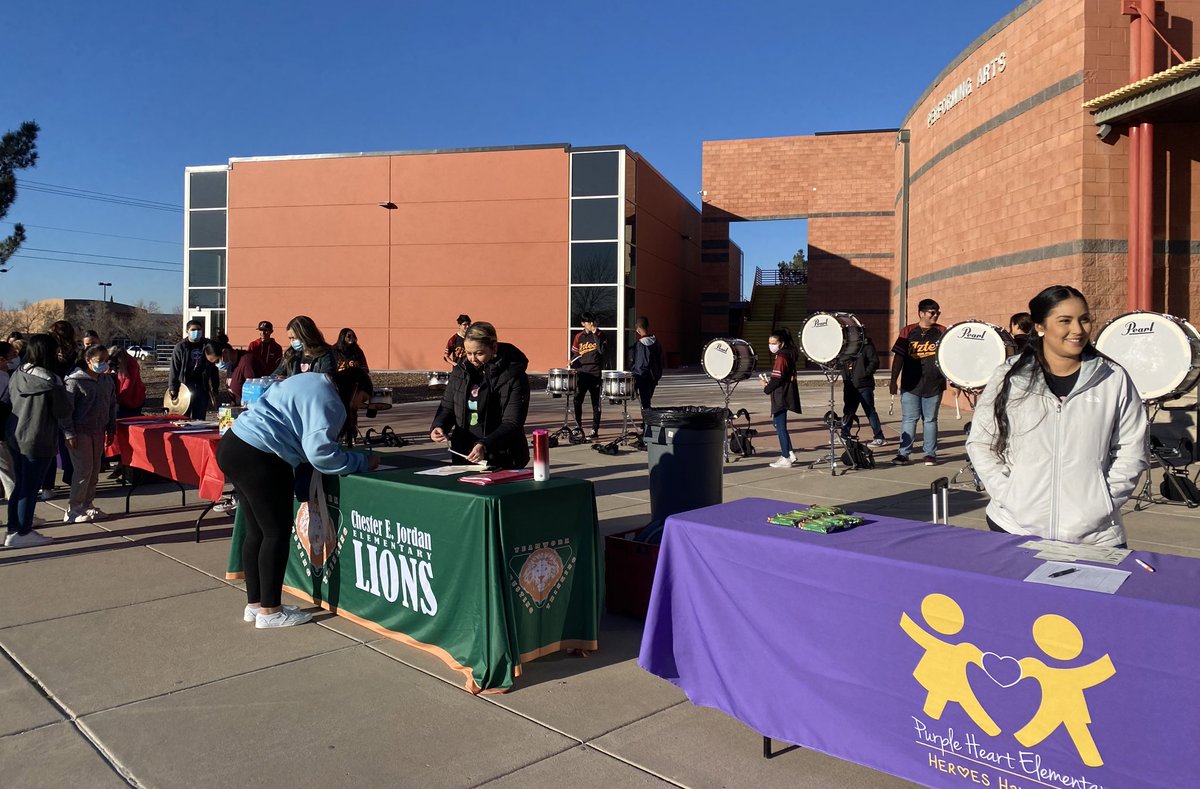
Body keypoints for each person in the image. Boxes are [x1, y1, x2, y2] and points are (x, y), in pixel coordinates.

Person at [966, 285, 1147, 546]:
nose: (1078, 329)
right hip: (1014, 529)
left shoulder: (1112, 378)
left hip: (1095, 536)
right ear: (1040, 326)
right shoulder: (1010, 376)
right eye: (1065, 321)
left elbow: (1132, 449)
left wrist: (1102, 503)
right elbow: (981, 442)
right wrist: (1010, 495)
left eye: (1084, 319)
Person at [217, 366, 380, 628]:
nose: (359, 408)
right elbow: (321, 454)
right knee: (275, 534)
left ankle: (256, 605)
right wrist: (361, 461)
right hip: (262, 456)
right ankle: (271, 612)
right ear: (355, 389)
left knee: (256, 532)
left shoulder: (312, 380)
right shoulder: (332, 401)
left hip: (234, 445)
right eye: (362, 401)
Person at [430, 321, 531, 469]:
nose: (472, 359)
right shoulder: (460, 371)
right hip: (463, 453)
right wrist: (439, 426)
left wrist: (484, 445)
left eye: (479, 353)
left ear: (493, 347)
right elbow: (447, 406)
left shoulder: (514, 376)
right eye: (468, 353)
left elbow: (513, 422)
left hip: (503, 456)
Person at [5, 334, 71, 547]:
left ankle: (14, 530)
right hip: (38, 438)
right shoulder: (51, 381)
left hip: (15, 436)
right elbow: (63, 410)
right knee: (29, 488)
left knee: (20, 486)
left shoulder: (17, 374)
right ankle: (23, 532)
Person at [60, 344, 117, 523]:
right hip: (80, 432)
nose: (104, 364)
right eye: (100, 361)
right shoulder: (74, 381)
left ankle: (87, 505)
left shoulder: (106, 380)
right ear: (88, 360)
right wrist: (69, 433)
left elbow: (112, 403)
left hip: (98, 430)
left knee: (94, 471)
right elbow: (66, 411)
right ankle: (74, 508)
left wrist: (111, 426)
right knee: (83, 470)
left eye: (106, 360)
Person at [890, 299, 947, 465]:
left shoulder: (942, 331)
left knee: (930, 420)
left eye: (937, 312)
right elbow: (899, 358)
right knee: (909, 419)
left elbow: (950, 356)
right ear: (922, 313)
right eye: (932, 312)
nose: (935, 315)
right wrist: (893, 380)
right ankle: (903, 453)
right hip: (910, 384)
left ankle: (930, 454)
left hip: (934, 384)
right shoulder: (907, 331)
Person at [43, 320, 80, 496]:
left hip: (49, 400)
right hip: (68, 398)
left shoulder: (47, 353)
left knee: (50, 446)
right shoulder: (74, 353)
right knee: (69, 441)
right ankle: (72, 478)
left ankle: (47, 485)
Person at [762, 327, 802, 468]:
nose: (771, 346)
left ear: (782, 343)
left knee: (780, 426)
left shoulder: (782, 357)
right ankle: (789, 452)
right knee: (777, 424)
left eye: (774, 343)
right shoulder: (788, 354)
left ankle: (785, 457)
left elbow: (777, 378)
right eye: (770, 343)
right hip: (785, 393)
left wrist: (766, 387)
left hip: (781, 395)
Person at [841, 331, 886, 446]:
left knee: (869, 410)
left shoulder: (866, 345)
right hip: (850, 384)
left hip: (863, 385)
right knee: (848, 410)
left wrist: (865, 373)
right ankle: (844, 435)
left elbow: (874, 361)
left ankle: (879, 436)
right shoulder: (845, 347)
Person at [168, 319, 218, 420]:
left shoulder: (207, 345)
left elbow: (213, 368)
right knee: (183, 417)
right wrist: (173, 387)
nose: (196, 332)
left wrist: (215, 387)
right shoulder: (181, 347)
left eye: (199, 329)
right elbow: (174, 368)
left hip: (202, 386)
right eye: (193, 330)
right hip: (185, 386)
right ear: (187, 331)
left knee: (199, 418)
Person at [571, 312, 606, 440]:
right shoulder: (578, 336)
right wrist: (572, 360)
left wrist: (595, 333)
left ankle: (594, 429)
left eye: (591, 321)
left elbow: (602, 351)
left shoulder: (600, 334)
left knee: (596, 403)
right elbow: (576, 354)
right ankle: (578, 427)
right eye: (587, 322)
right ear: (582, 324)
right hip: (582, 373)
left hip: (595, 372)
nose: (590, 324)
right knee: (577, 400)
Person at [629, 316, 664, 417]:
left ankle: (647, 424)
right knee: (648, 401)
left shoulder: (640, 344)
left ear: (637, 329)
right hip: (654, 376)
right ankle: (646, 423)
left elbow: (641, 364)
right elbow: (661, 359)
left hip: (643, 377)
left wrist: (635, 374)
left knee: (645, 404)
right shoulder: (656, 342)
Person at [0, 342, 18, 500]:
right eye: (12, 354)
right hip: (1, 432)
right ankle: (20, 515)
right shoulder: (3, 377)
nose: (15, 357)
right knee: (9, 476)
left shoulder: (6, 375)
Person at [108, 346, 146, 418]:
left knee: (129, 418)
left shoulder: (131, 364)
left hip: (134, 398)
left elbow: (128, 384)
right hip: (122, 398)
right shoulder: (113, 364)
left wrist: (117, 400)